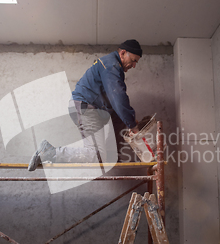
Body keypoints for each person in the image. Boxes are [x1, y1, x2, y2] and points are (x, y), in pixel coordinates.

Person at [28, 39, 142, 171]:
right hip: (86, 107)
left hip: (91, 107)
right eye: (133, 60)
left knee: (119, 117)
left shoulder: (110, 66)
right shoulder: (111, 66)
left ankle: (112, 155)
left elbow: (116, 106)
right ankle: (50, 152)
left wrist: (129, 121)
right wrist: (133, 126)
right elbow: (119, 97)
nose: (134, 65)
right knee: (97, 155)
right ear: (122, 53)